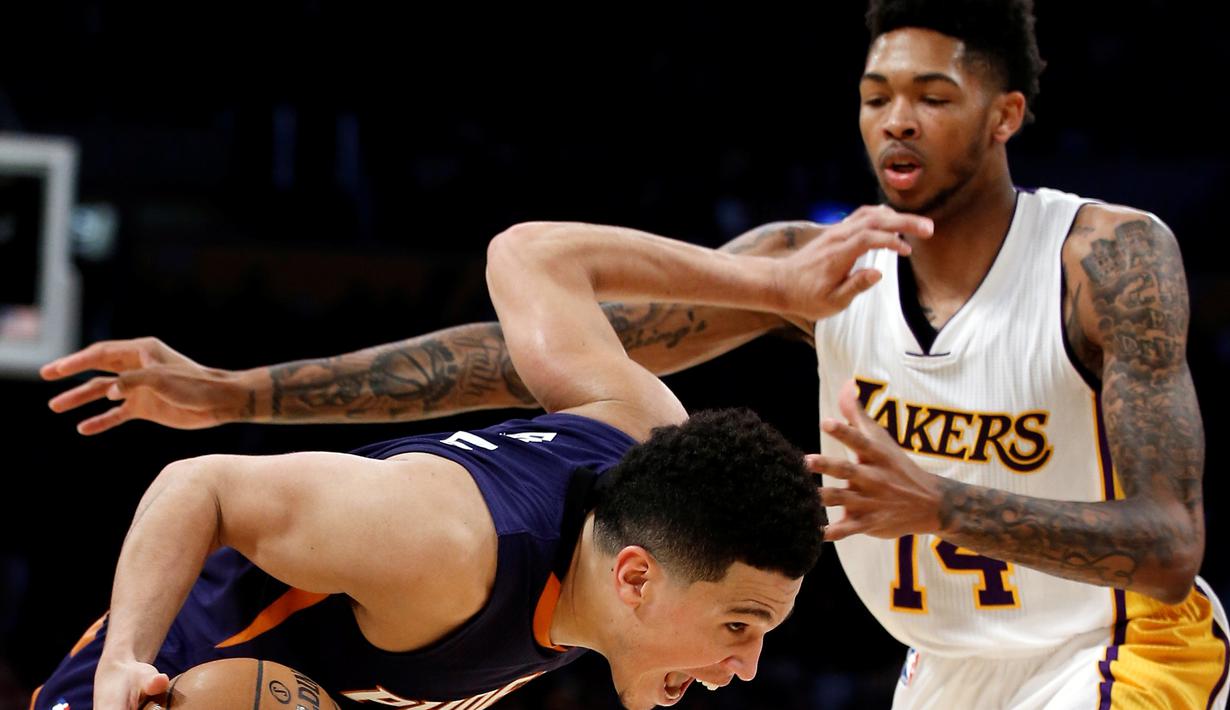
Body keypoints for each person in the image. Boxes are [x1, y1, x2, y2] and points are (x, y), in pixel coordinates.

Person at [42, 1, 1229, 707]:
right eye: (876, 94)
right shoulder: (812, 277)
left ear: (1007, 112)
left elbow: (1171, 545)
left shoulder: (1104, 261)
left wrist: (939, 500)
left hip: (1109, 645)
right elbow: (515, 347)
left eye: (934, 94)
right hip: (940, 666)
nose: (898, 122)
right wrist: (240, 391)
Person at [30, 216, 937, 710]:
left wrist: (773, 293)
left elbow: (532, 255)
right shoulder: (443, 545)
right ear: (634, 576)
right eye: (741, 625)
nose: (745, 666)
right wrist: (127, 659)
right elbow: (201, 485)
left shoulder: (640, 424)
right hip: (150, 690)